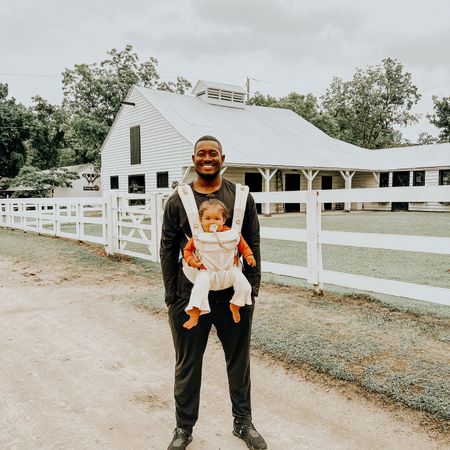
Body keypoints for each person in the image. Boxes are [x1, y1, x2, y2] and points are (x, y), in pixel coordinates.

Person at [160, 135, 267, 450]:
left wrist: (253, 288)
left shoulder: (241, 197)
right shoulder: (177, 200)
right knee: (188, 362)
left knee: (239, 360)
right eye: (201, 154)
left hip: (233, 295)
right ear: (193, 158)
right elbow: (167, 250)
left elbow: (253, 242)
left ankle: (243, 423)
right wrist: (171, 297)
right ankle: (183, 428)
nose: (207, 158)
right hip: (190, 294)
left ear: (223, 158)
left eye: (213, 154)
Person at [182, 198, 256, 329]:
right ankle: (194, 315)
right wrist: (192, 261)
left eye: (217, 219)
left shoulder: (231, 234)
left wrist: (249, 256)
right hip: (207, 271)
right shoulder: (199, 237)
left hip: (230, 270)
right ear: (201, 220)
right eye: (208, 218)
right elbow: (187, 250)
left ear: (223, 220)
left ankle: (236, 305)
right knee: (198, 289)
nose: (212, 222)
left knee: (245, 286)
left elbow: (243, 246)